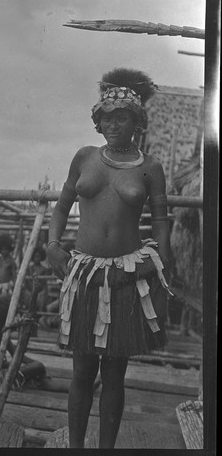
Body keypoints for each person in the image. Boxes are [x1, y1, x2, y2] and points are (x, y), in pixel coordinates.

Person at [47, 68, 173, 448]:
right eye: (108, 118)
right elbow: (62, 207)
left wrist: (162, 266)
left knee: (115, 373)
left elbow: (163, 222)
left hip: (127, 275)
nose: (115, 124)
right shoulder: (84, 158)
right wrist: (53, 244)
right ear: (97, 122)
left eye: (123, 118)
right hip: (84, 273)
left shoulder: (150, 167)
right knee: (82, 370)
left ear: (137, 123)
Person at [0, 294, 69, 392]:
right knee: (36, 368)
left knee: (37, 367)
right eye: (15, 315)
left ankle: (42, 379)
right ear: (7, 316)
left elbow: (16, 354)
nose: (16, 318)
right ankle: (41, 380)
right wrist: (34, 366)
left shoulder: (2, 330)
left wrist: (35, 365)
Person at [0, 234, 17, 307]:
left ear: (9, 249)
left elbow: (14, 275)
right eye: (2, 249)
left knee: (5, 304)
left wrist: (14, 286)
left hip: (6, 286)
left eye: (6, 249)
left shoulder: (11, 261)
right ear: (0, 249)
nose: (4, 251)